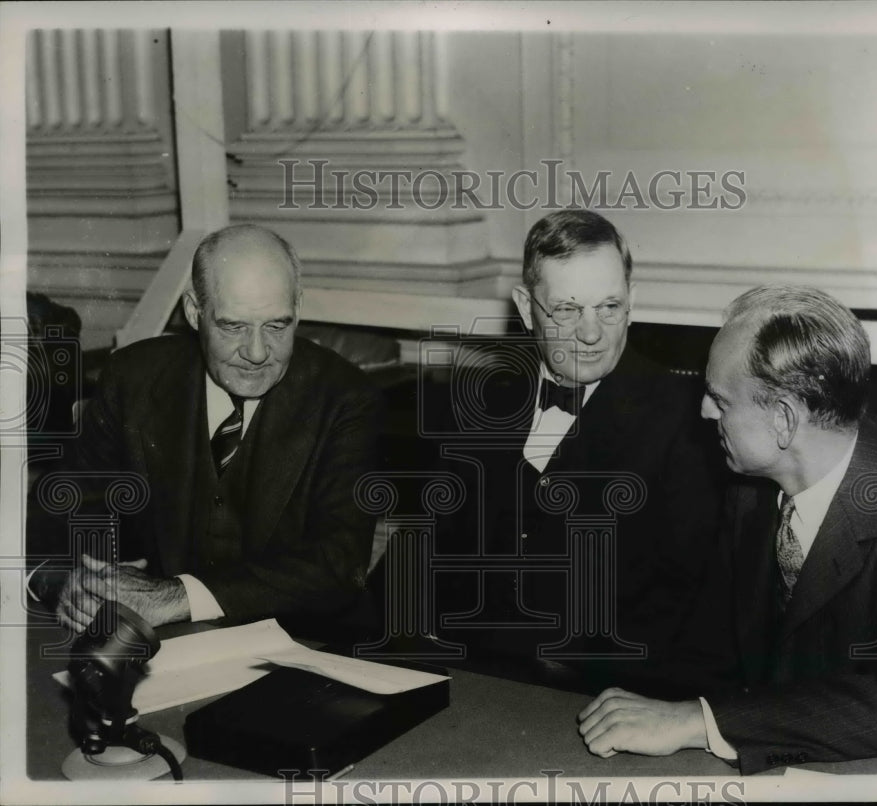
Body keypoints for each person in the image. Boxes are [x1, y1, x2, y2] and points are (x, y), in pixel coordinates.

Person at [578, 285, 877, 772]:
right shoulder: (751, 484)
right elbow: (709, 647)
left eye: (720, 400)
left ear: (784, 420)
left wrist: (699, 722)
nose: (703, 411)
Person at [433, 210, 731, 696]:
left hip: (606, 693)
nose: (592, 334)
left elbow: (689, 608)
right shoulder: (480, 404)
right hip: (469, 676)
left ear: (632, 301)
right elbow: (434, 555)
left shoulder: (691, 423)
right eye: (568, 310)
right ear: (527, 309)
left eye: (609, 307)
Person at [28, 224, 382, 633]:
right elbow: (59, 509)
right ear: (194, 312)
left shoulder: (347, 399)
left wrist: (176, 596)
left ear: (298, 308)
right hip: (164, 646)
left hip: (310, 647)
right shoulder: (134, 378)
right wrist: (72, 582)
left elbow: (338, 564)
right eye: (233, 326)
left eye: (277, 326)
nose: (256, 352)